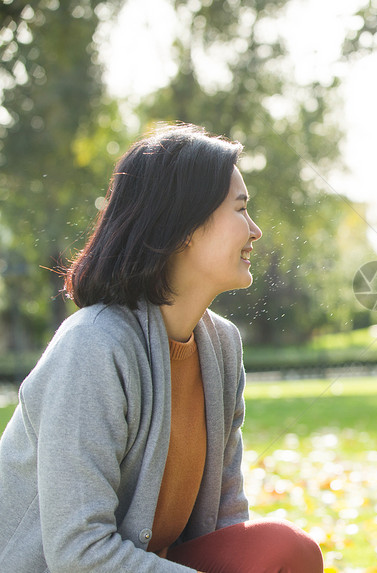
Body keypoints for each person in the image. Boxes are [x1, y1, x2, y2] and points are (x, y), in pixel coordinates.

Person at [0, 124, 324, 573]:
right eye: (241, 209)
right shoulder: (93, 346)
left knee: (284, 550)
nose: (256, 230)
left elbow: (226, 524)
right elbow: (78, 554)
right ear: (184, 227)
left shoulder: (222, 345)